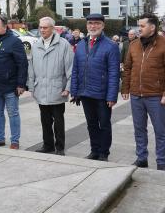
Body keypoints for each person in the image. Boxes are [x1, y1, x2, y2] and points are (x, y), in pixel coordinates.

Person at [70, 13, 120, 161]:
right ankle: (94, 150)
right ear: (86, 26)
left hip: (102, 94)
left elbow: (113, 73)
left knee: (104, 125)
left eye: (97, 23)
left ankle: (104, 153)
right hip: (85, 93)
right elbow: (76, 69)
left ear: (103, 26)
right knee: (91, 124)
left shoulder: (111, 46)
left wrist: (112, 96)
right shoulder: (80, 45)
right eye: (90, 23)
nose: (93, 26)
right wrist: (75, 91)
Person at [121, 13, 165, 171]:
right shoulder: (134, 45)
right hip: (136, 95)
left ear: (152, 27)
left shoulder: (163, 43)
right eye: (138, 26)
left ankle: (162, 162)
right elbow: (127, 68)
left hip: (156, 96)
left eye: (142, 26)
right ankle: (141, 158)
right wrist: (125, 88)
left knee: (161, 130)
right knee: (139, 128)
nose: (138, 29)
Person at [28, 17, 74, 155]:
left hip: (57, 90)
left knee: (58, 121)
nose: (42, 30)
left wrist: (68, 88)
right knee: (45, 120)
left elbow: (70, 68)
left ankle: (60, 148)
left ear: (53, 29)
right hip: (41, 89)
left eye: (45, 27)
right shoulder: (36, 45)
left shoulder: (63, 44)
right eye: (40, 27)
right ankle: (48, 145)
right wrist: (31, 86)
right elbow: (31, 68)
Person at [0, 14, 28, 149]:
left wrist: (21, 84)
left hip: (10, 86)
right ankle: (0, 138)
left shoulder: (14, 42)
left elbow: (22, 64)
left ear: (4, 27)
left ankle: (14, 141)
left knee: (13, 113)